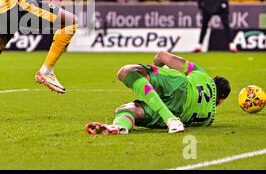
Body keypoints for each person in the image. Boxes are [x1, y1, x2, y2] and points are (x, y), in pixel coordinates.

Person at [86, 51, 230, 135]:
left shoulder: (202, 74)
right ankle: (118, 127)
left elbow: (161, 56)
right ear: (220, 100)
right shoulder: (209, 118)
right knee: (126, 110)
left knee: (126, 72)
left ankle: (169, 119)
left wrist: (159, 66)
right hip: (180, 113)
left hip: (180, 86)